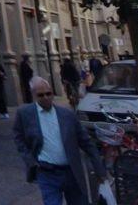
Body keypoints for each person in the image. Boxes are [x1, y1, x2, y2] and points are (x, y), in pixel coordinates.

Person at [13, 76, 102, 205]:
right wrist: (30, 160)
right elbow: (18, 137)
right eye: (41, 95)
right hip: (46, 173)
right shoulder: (24, 113)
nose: (46, 97)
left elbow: (86, 142)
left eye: (48, 94)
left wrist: (99, 168)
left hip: (71, 172)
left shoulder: (67, 115)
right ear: (33, 95)